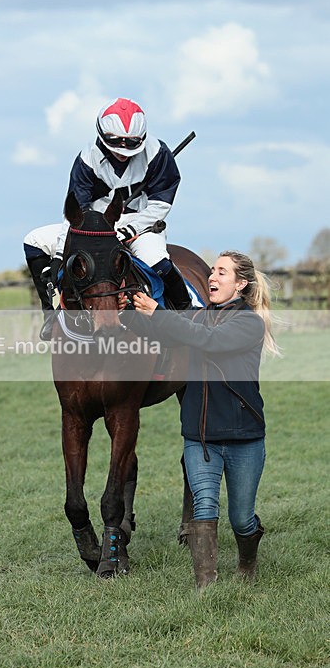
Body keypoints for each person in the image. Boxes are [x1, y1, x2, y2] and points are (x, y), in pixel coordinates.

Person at [124, 250, 280, 590]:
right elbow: (159, 333)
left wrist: (159, 314)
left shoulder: (249, 322)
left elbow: (209, 341)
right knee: (204, 508)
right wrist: (120, 309)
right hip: (200, 437)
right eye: (212, 271)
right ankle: (205, 587)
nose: (212, 277)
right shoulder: (196, 318)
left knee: (241, 519)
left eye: (222, 273)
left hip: (244, 437)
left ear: (240, 284)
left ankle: (247, 562)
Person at [24, 97, 190, 340]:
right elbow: (74, 214)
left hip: (141, 226)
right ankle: (50, 315)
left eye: (131, 144)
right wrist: (60, 254)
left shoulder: (158, 153)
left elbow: (161, 204)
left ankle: (188, 314)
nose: (123, 152)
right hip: (93, 230)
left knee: (157, 261)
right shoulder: (86, 159)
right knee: (34, 240)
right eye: (116, 144)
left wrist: (130, 227)